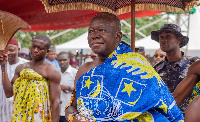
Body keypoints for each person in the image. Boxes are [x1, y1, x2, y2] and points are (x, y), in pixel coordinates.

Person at [64, 12, 183, 122]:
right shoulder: (85, 69)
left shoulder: (138, 67)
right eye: (91, 31)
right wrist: (74, 117)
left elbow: (162, 106)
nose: (95, 35)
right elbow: (71, 106)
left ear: (118, 36)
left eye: (101, 30)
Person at [1, 34, 61, 121]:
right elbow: (9, 93)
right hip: (21, 115)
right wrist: (3, 67)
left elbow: (55, 102)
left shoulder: (51, 71)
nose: (35, 50)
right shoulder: (21, 68)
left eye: (40, 48)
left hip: (40, 117)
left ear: (47, 51)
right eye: (33, 47)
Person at [152, 24, 196, 114]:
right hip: (164, 116)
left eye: (168, 36)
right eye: (161, 37)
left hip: (188, 116)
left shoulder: (193, 64)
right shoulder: (156, 69)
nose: (163, 40)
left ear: (178, 39)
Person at [0, 38, 28, 122]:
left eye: (11, 50)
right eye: (5, 50)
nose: (7, 53)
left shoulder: (26, 65)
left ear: (18, 49)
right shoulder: (1, 64)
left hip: (19, 115)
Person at [57, 51, 78, 122]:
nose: (62, 62)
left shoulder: (75, 73)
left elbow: (80, 91)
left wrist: (67, 88)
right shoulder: (56, 73)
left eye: (64, 60)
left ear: (69, 59)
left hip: (70, 110)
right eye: (60, 60)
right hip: (57, 110)